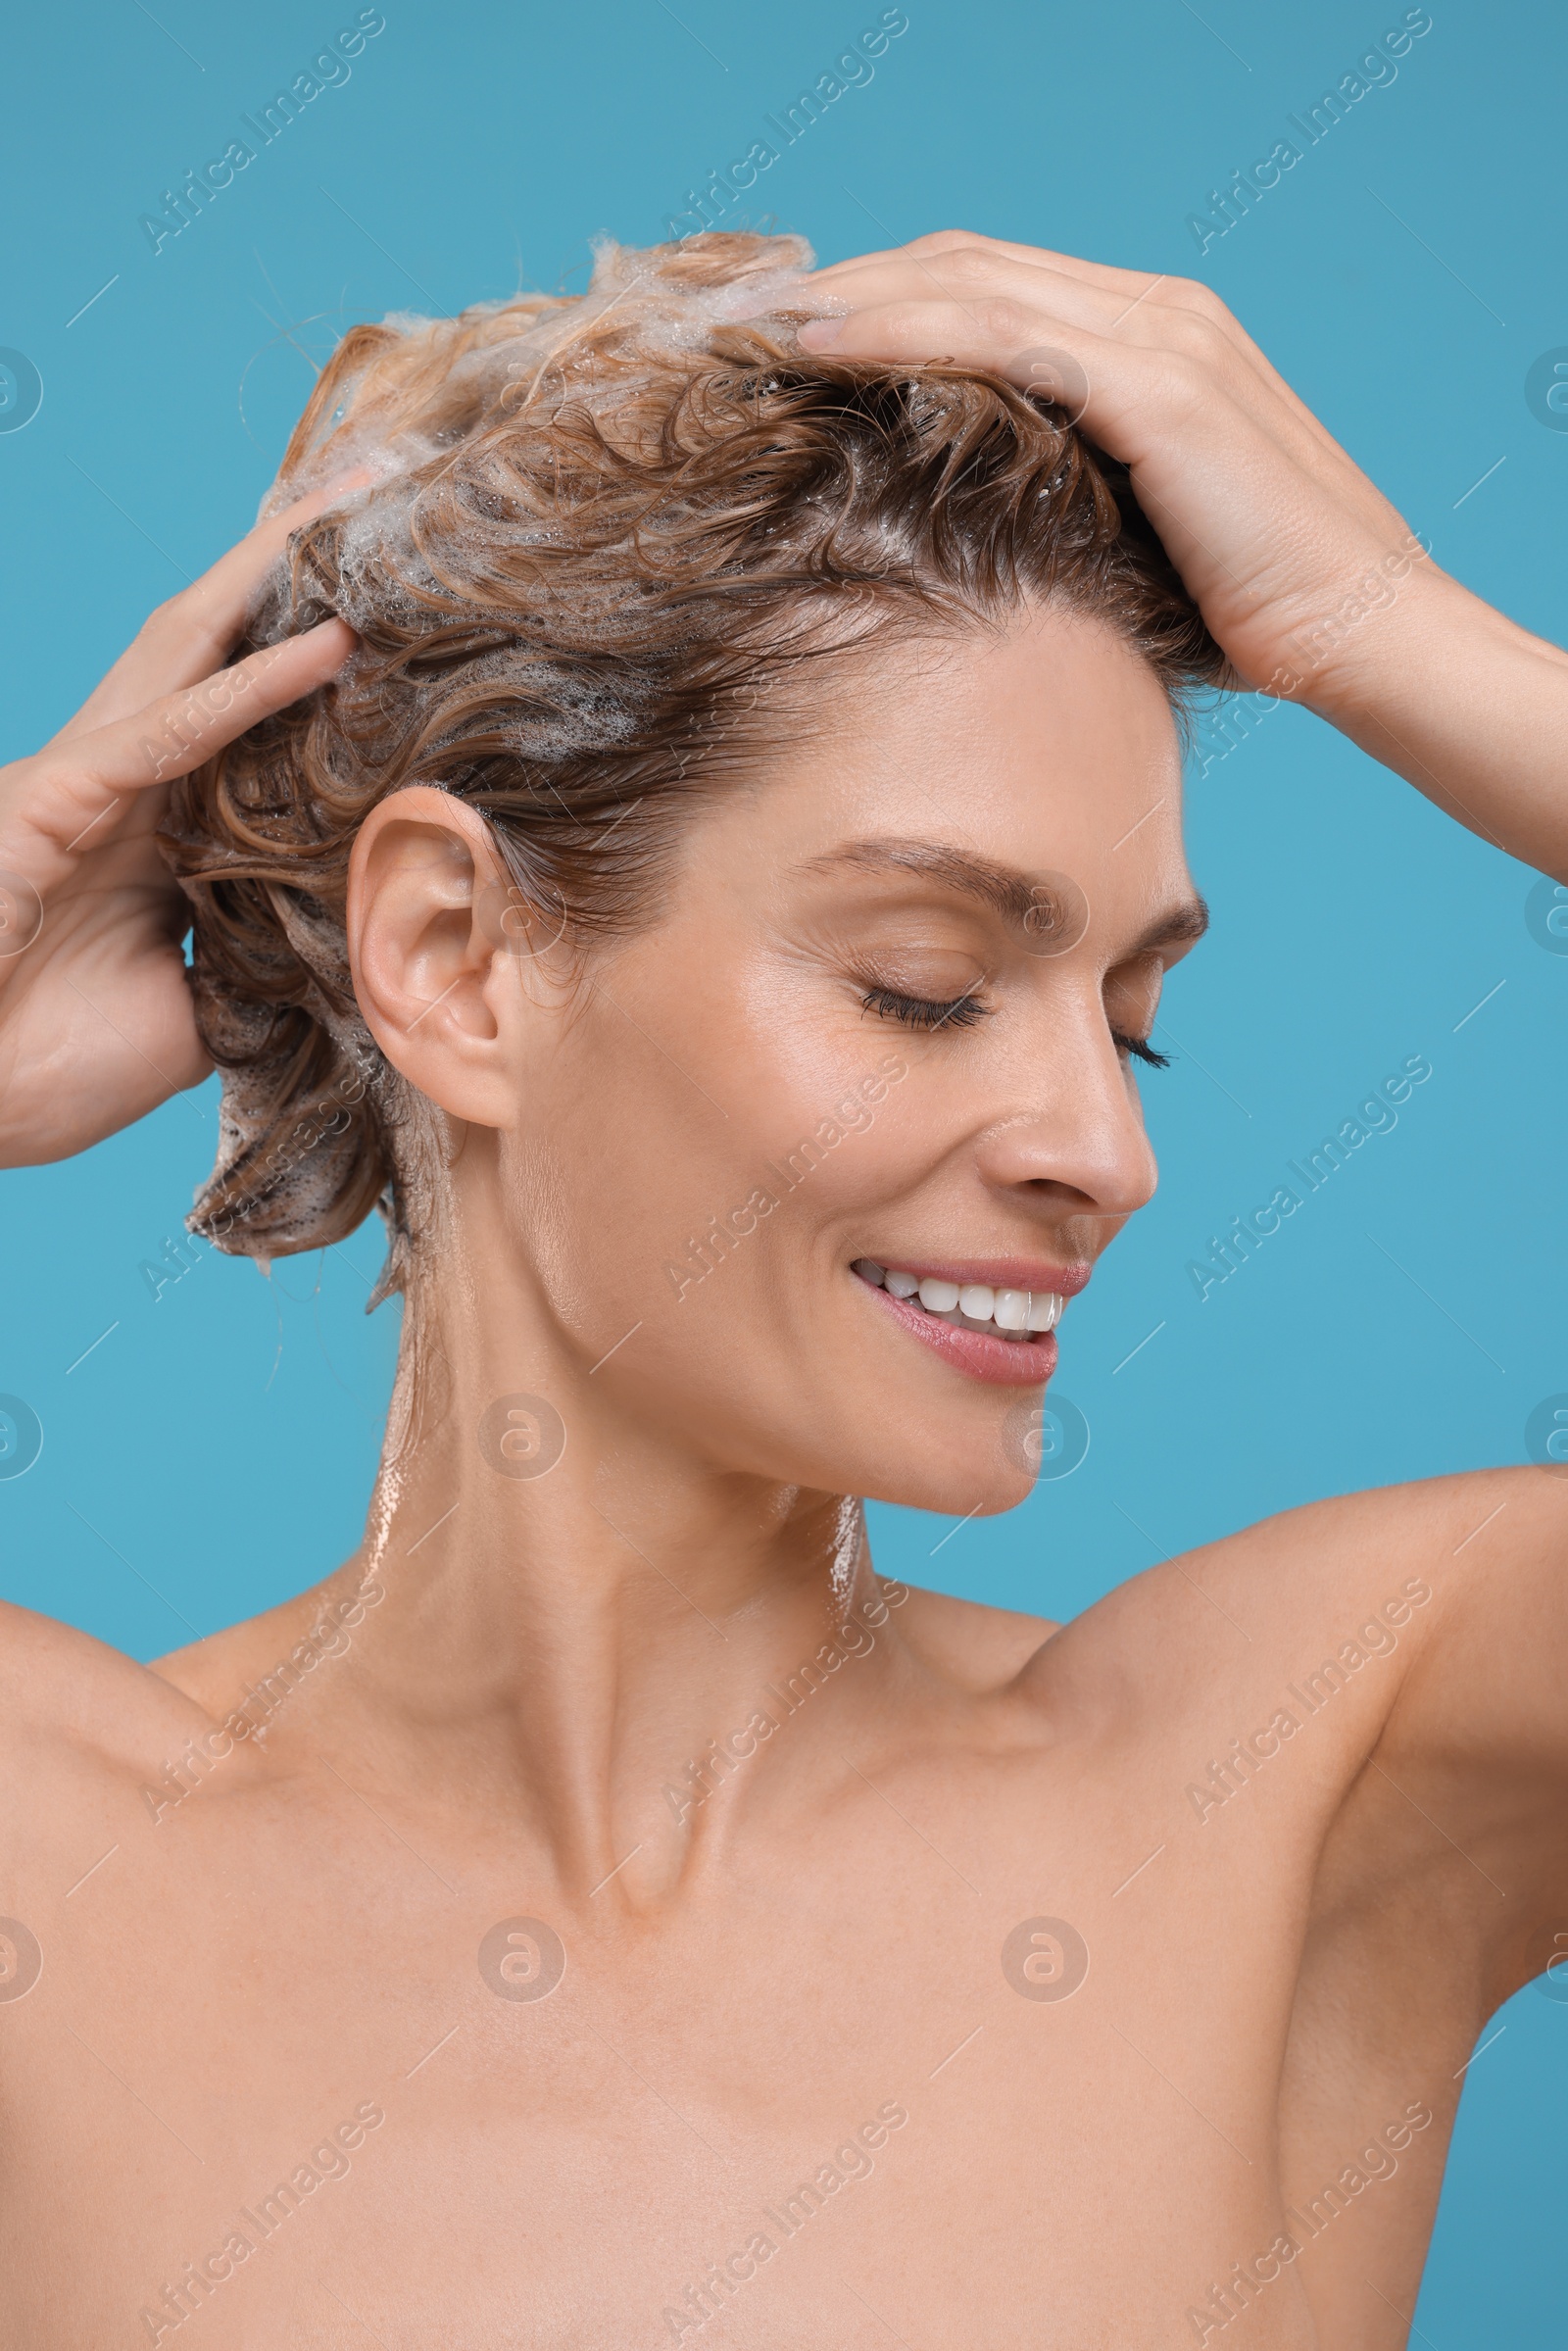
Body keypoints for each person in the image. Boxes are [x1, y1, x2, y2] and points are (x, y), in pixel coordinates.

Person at [0, 227, 1562, 2348]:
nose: (1104, 1150)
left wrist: (1397, 632)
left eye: (1131, 1014)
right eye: (925, 989)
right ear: (459, 959)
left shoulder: (1303, 1785)